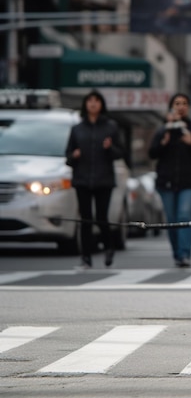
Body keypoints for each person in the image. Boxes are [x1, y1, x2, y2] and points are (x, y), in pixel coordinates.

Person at [149, 93, 191, 267]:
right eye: (177, 103)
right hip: (166, 182)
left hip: (188, 182)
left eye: (184, 103)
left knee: (184, 216)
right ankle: (177, 253)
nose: (180, 106)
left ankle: (185, 254)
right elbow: (152, 153)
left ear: (188, 108)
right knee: (171, 220)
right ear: (171, 107)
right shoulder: (163, 130)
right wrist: (164, 141)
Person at [65, 90, 124, 269]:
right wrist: (74, 156)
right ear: (85, 105)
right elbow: (67, 157)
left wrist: (109, 148)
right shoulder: (77, 129)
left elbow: (120, 153)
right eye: (89, 100)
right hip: (82, 179)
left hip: (103, 179)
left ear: (101, 105)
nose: (93, 104)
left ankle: (108, 247)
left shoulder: (111, 127)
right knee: (85, 220)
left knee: (101, 218)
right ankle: (86, 257)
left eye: (96, 101)